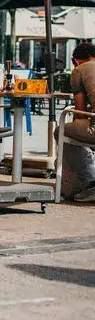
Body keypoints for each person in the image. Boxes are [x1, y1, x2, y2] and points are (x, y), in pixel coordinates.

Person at [61, 42, 95, 202]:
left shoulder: (78, 71)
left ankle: (90, 182)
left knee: (61, 131)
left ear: (76, 60)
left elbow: (79, 112)